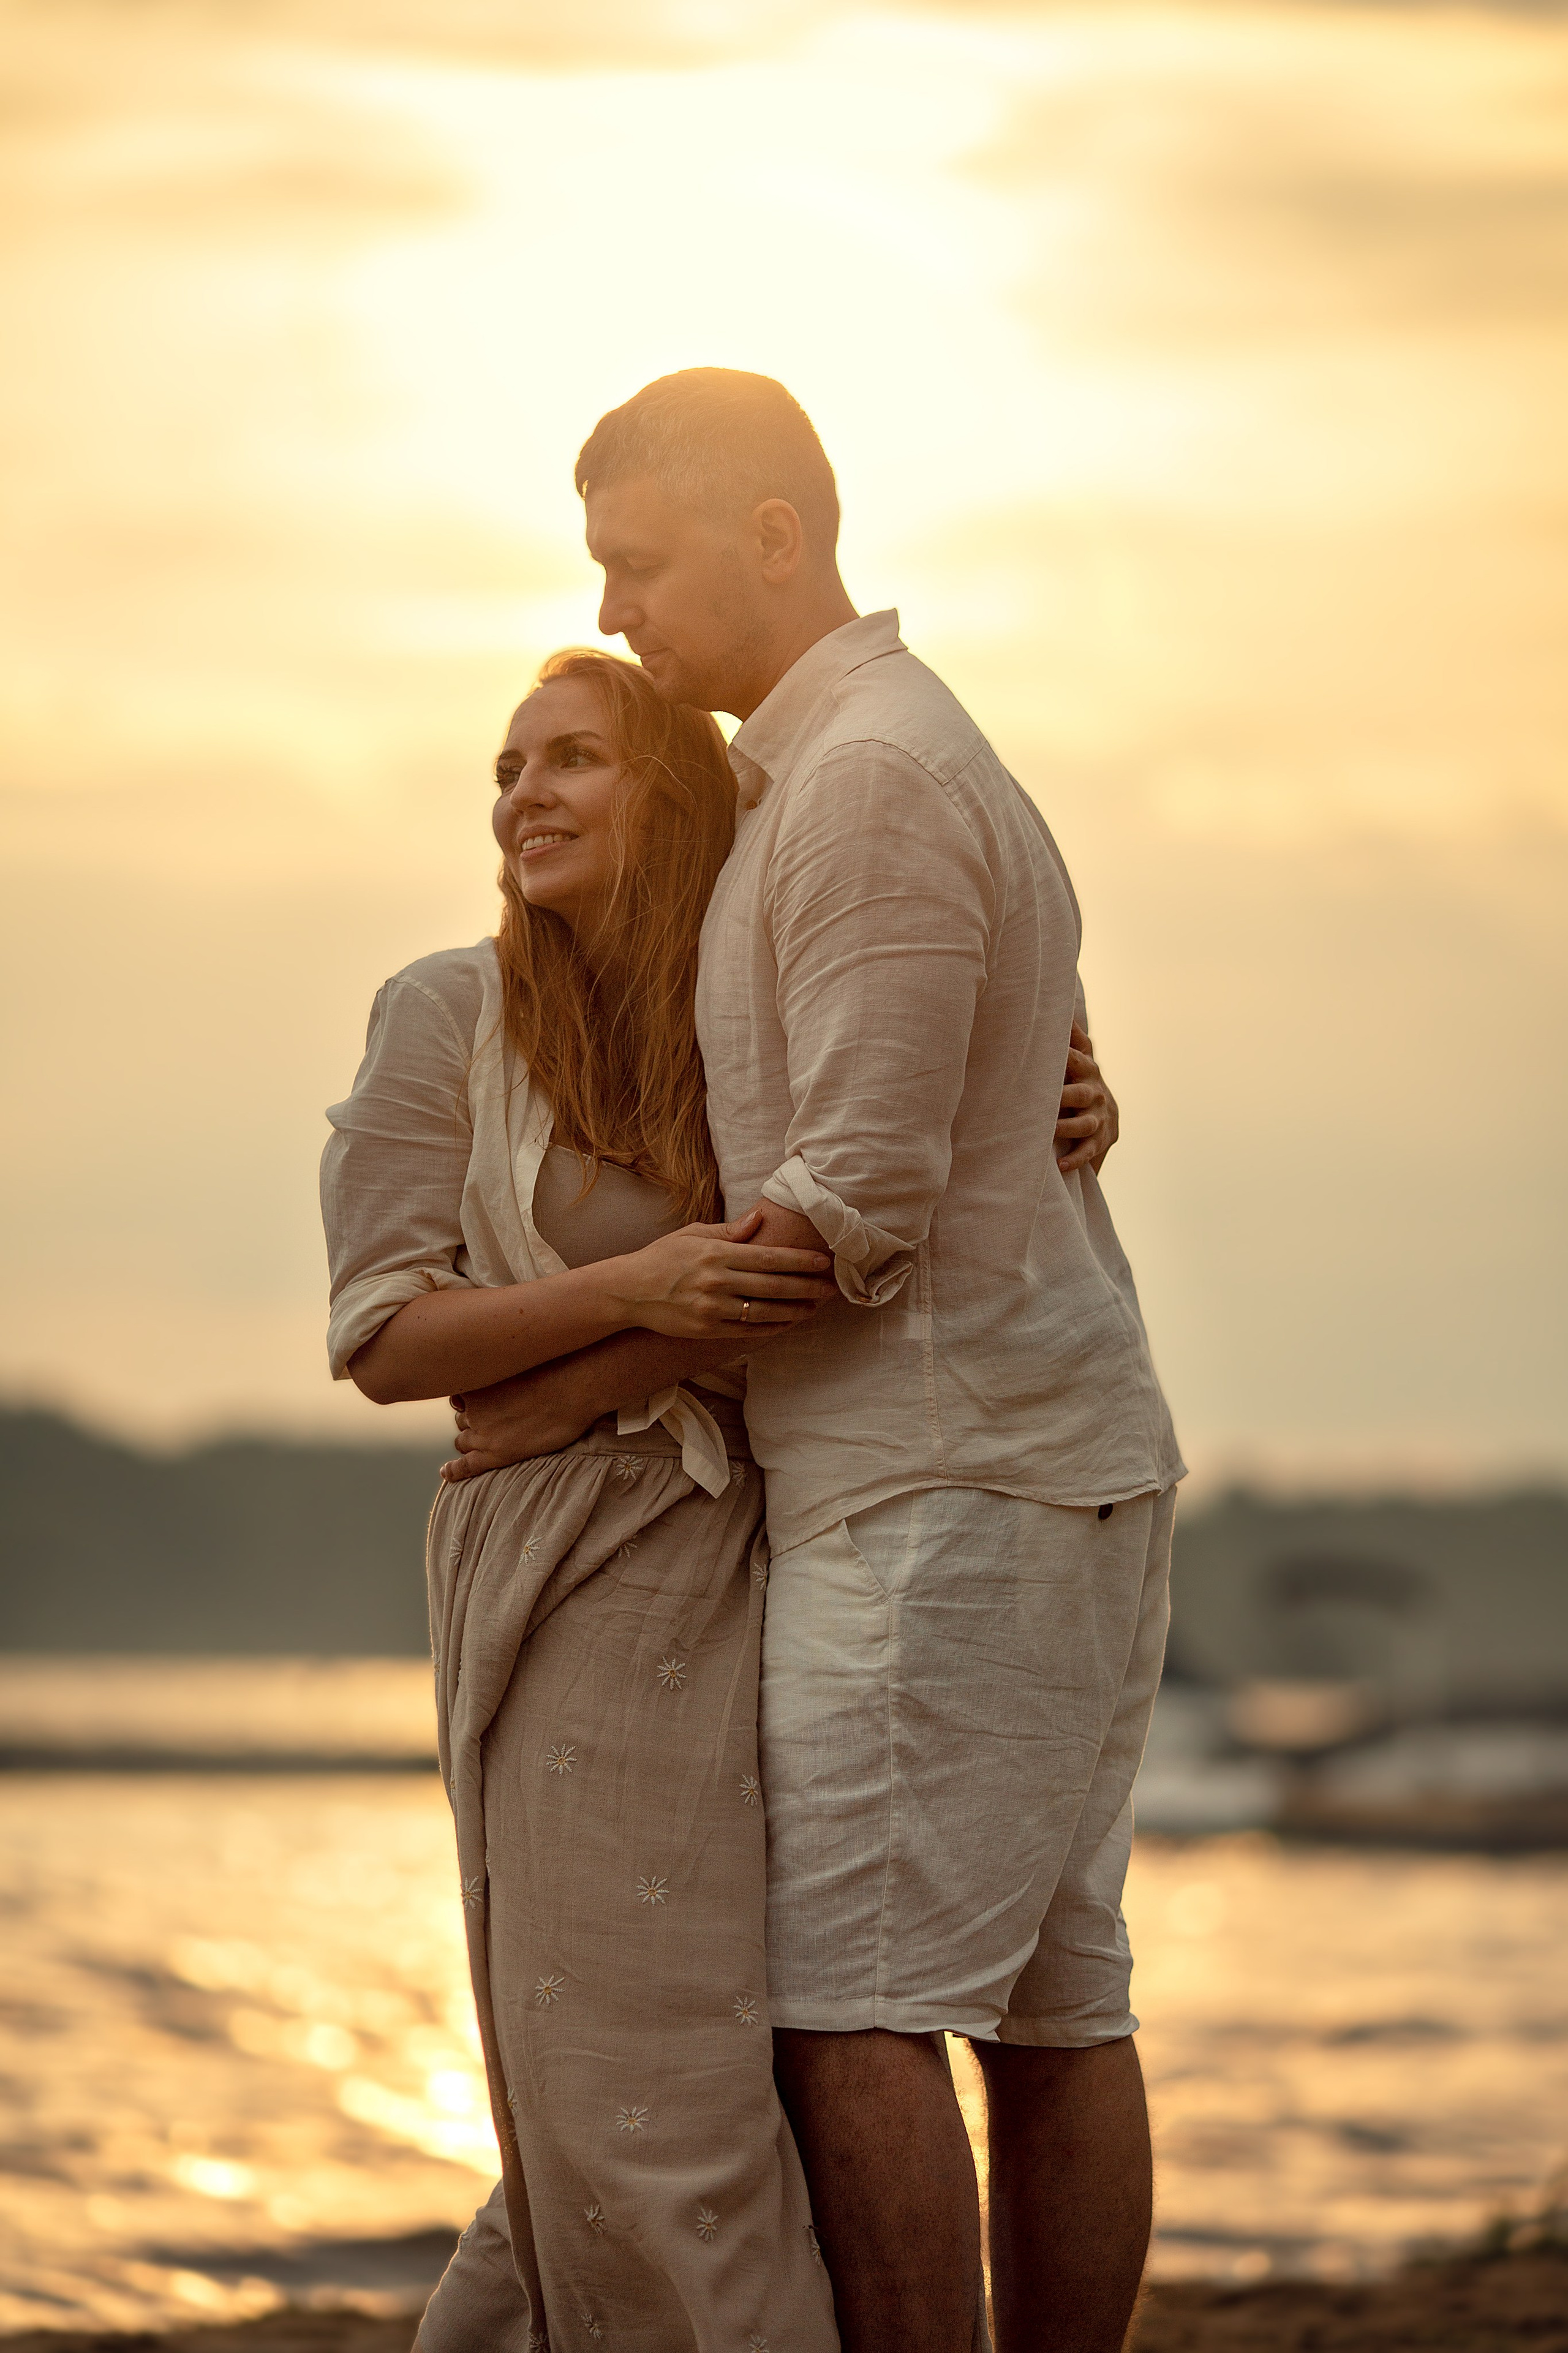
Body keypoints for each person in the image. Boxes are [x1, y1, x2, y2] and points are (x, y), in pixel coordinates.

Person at [446, 371, 1183, 2353]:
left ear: (776, 537)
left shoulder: (865, 780)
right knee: (1050, 1997)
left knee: (853, 2002)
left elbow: (852, 1202)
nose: (616, 613)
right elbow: (979, 1094)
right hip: (1013, 1452)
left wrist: (573, 1374)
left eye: (641, 566)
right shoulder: (843, 774)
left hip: (948, 1479)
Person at [320, 649, 842, 2352]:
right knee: (619, 2074)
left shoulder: (753, 1002)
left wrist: (1078, 1090)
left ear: (673, 797)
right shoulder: (446, 1013)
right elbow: (389, 1335)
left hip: (776, 1544)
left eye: (574, 759)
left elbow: (871, 1193)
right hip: (559, 1558)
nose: (523, 792)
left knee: (674, 2060)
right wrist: (644, 1305)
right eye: (506, 765)